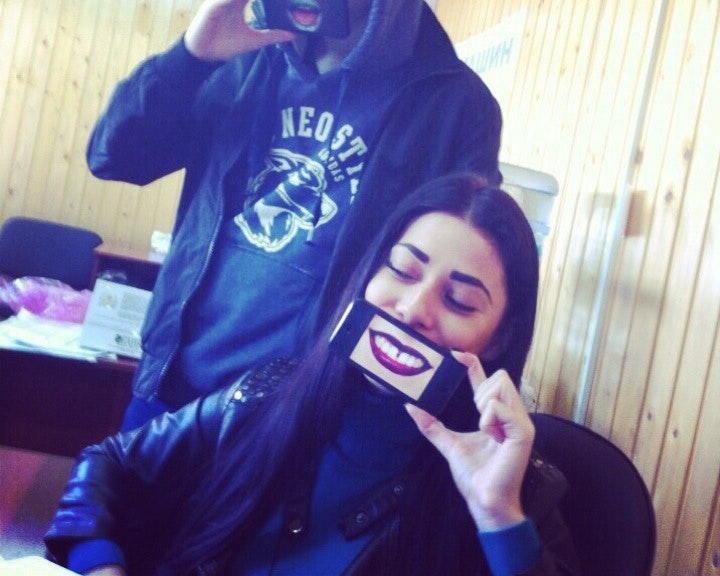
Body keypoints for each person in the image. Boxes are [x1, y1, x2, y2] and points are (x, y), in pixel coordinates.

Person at [86, 0, 502, 430]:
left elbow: (447, 287)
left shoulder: (457, 106)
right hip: (172, 394)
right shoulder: (243, 58)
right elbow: (114, 157)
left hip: (308, 429)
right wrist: (190, 57)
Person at [45, 174, 580, 576]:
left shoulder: (519, 491)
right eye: (402, 269)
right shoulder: (263, 394)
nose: (413, 308)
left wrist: (499, 516)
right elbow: (108, 464)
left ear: (501, 338)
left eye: (459, 300)